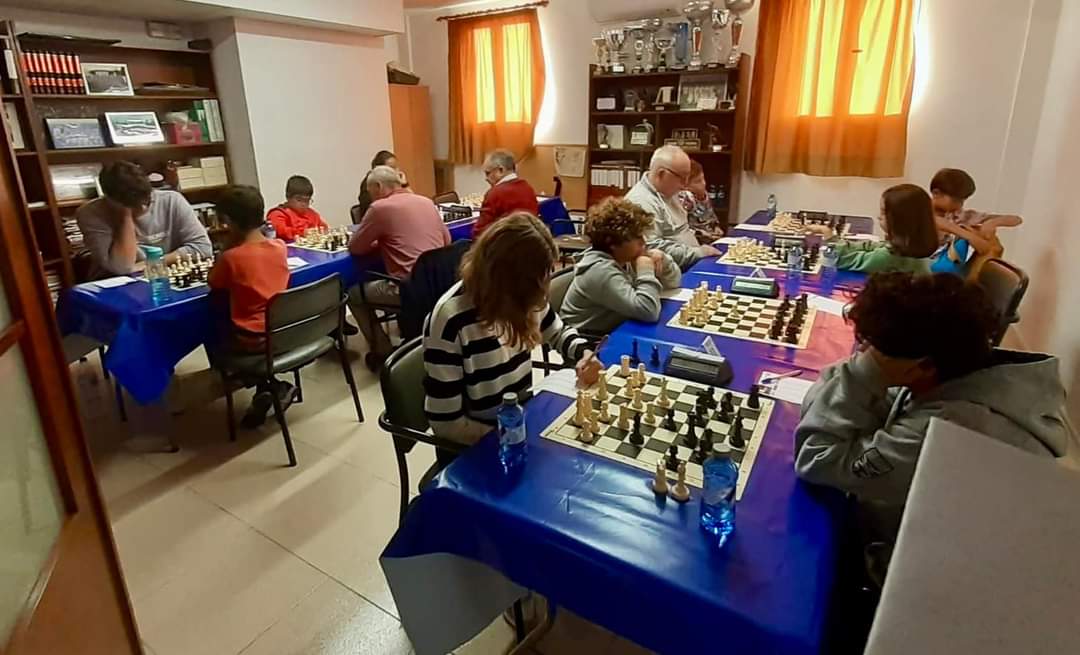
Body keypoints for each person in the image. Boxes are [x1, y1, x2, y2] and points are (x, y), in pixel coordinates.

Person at [794, 272, 1066, 545]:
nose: (861, 356)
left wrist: (862, 376)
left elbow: (816, 458)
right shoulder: (951, 368)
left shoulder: (948, 426)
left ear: (922, 365)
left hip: (925, 555)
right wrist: (860, 379)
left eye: (872, 351)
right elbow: (829, 404)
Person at [424, 213, 602, 445]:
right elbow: (446, 424)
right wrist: (512, 437)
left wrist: (584, 353)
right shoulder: (451, 320)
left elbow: (557, 331)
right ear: (505, 280)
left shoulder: (525, 294)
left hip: (520, 418)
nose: (543, 293)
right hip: (481, 443)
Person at [207, 185, 296, 429]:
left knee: (212, 332)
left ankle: (268, 386)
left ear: (227, 221)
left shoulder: (231, 257)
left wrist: (227, 245)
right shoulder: (279, 247)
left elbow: (214, 281)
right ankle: (266, 389)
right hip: (286, 330)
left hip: (253, 340)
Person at [349, 165, 451, 371]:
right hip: (441, 283)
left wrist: (380, 242)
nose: (370, 197)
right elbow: (447, 240)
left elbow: (356, 247)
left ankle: (383, 350)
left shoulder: (380, 208)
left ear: (378, 186)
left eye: (370, 192)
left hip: (408, 288)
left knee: (352, 294)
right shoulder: (425, 201)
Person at [561, 196, 682, 334]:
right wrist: (646, 271)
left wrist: (663, 261)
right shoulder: (599, 270)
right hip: (588, 339)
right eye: (636, 237)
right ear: (612, 243)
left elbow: (674, 282)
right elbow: (648, 311)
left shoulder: (625, 257)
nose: (643, 242)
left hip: (616, 327)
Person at [76, 161, 212, 278]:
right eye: (134, 205)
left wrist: (151, 264)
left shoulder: (171, 200)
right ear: (109, 199)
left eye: (147, 200)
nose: (143, 207)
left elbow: (203, 248)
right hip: (114, 284)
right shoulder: (90, 213)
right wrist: (125, 217)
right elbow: (122, 267)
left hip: (161, 276)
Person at [625, 145, 719, 270]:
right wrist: (698, 253)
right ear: (661, 174)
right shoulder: (641, 202)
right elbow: (651, 248)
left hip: (690, 263)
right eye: (681, 178)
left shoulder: (668, 190)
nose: (685, 185)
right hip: (671, 273)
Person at [807, 184, 938, 273]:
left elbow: (841, 260)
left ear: (900, 220)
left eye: (883, 212)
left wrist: (828, 234)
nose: (878, 216)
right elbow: (874, 246)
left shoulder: (890, 258)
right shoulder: (911, 246)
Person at [929, 168, 1020, 277]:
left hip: (948, 270)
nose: (959, 205)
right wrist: (969, 236)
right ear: (936, 193)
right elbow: (935, 221)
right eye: (955, 200)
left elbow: (1016, 219)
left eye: (962, 201)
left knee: (993, 245)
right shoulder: (920, 210)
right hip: (922, 269)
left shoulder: (961, 215)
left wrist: (992, 223)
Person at [472, 149, 539, 238]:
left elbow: (480, 233)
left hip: (503, 245)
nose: (486, 178)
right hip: (528, 242)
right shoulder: (528, 188)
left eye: (488, 173)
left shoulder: (495, 193)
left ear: (501, 170)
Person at [266, 175, 328, 242]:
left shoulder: (312, 214)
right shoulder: (278, 214)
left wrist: (321, 232)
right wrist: (302, 233)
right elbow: (281, 231)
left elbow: (324, 228)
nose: (303, 204)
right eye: (299, 200)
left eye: (307, 200)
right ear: (288, 197)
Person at [678, 160, 727, 243]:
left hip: (709, 239)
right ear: (685, 186)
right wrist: (702, 234)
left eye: (703, 179)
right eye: (698, 181)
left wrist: (715, 227)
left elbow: (710, 215)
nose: (703, 183)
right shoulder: (685, 198)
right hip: (693, 242)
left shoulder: (704, 194)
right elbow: (681, 228)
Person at [354, 150, 408, 222]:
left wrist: (405, 184)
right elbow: (380, 209)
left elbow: (410, 202)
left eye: (396, 167)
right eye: (392, 167)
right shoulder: (371, 183)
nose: (397, 171)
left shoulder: (393, 181)